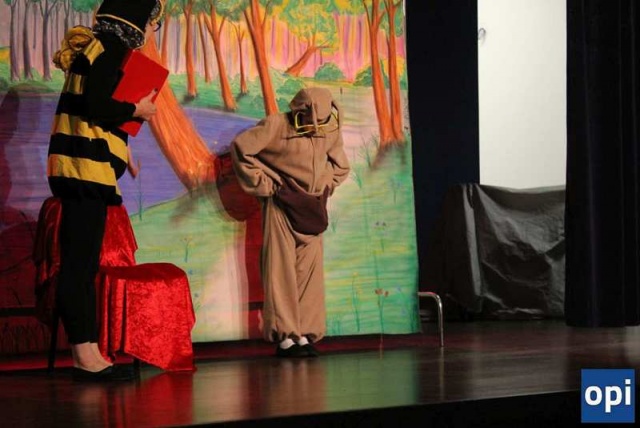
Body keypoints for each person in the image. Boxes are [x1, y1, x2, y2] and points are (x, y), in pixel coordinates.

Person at [47, 0, 164, 381]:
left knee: (82, 265)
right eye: (151, 22)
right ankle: (85, 355)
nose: (152, 31)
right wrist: (136, 111)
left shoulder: (98, 47)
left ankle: (90, 352)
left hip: (83, 168)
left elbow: (90, 108)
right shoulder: (109, 49)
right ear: (135, 20)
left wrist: (123, 150)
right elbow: (97, 105)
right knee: (78, 267)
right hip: (83, 171)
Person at [230, 88, 350, 357]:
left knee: (310, 275)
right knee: (280, 270)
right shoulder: (277, 125)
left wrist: (324, 187)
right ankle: (286, 336)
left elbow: (341, 166)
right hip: (281, 207)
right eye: (312, 120)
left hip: (312, 209)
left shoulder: (329, 129)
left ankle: (306, 333)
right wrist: (268, 186)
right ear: (301, 111)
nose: (316, 127)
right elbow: (242, 149)